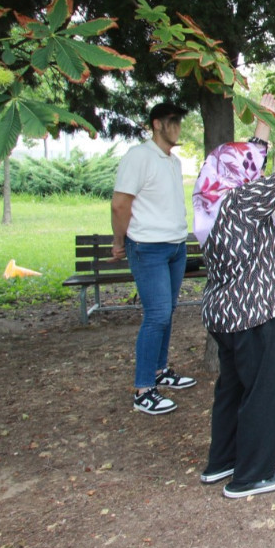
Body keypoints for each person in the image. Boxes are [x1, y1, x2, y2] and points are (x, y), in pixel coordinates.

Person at [192, 84, 275, 499]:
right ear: (238, 175)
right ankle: (251, 475)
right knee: (265, 392)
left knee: (231, 389)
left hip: (224, 315)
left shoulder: (210, 203)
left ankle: (222, 462)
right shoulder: (244, 202)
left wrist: (263, 127)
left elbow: (247, 164)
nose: (255, 169)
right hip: (254, 313)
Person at [111, 101, 197, 415]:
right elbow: (120, 204)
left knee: (168, 311)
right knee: (157, 314)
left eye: (180, 120)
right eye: (172, 120)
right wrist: (119, 242)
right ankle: (144, 389)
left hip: (175, 247)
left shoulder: (172, 162)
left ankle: (160, 371)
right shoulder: (139, 157)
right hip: (148, 247)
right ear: (156, 124)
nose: (178, 126)